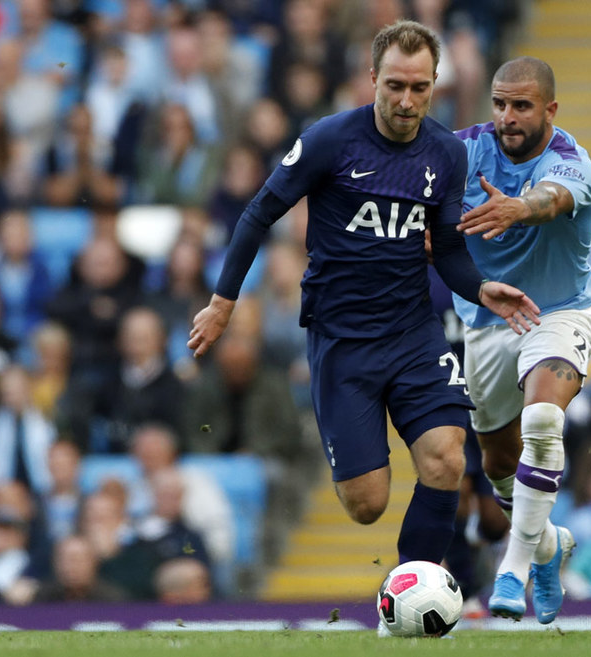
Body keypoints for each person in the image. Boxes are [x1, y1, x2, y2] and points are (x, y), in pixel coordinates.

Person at [188, 21, 539, 576]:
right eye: (395, 86)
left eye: (420, 88)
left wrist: (478, 287)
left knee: (447, 457)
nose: (406, 100)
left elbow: (446, 250)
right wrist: (223, 303)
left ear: (435, 84)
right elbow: (257, 213)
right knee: (366, 505)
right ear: (372, 78)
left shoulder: (447, 154)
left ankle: (411, 589)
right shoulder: (330, 140)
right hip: (342, 341)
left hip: (412, 331)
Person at [453, 56, 591, 622]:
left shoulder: (572, 161)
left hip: (559, 314)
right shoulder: (463, 150)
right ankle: (547, 546)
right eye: (499, 104)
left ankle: (511, 570)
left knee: (543, 421)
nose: (507, 117)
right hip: (487, 322)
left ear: (550, 110)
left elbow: (553, 201)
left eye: (521, 105)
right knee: (496, 463)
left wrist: (519, 208)